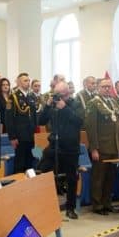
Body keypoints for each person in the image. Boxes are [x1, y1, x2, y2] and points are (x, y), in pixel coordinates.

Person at [37, 80, 84, 220]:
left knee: (71, 178)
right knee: (42, 171)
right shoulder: (53, 105)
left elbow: (79, 122)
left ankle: (70, 208)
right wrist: (47, 105)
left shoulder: (76, 104)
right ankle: (44, 205)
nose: (59, 97)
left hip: (70, 148)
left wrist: (65, 108)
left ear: (67, 93)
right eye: (56, 94)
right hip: (54, 146)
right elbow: (41, 121)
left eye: (61, 94)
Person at [85, 78, 119, 215]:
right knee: (98, 177)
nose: (107, 89)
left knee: (109, 178)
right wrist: (94, 148)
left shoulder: (113, 102)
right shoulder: (93, 103)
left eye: (108, 87)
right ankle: (97, 205)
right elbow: (91, 128)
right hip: (101, 147)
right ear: (98, 88)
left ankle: (107, 203)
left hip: (113, 147)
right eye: (104, 87)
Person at [6, 72, 37, 173]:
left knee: (30, 163)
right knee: (20, 163)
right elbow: (9, 118)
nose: (28, 83)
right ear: (18, 82)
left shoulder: (31, 97)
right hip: (20, 136)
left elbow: (34, 116)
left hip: (31, 135)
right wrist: (12, 137)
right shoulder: (13, 97)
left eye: (28, 80)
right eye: (25, 81)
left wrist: (36, 133)